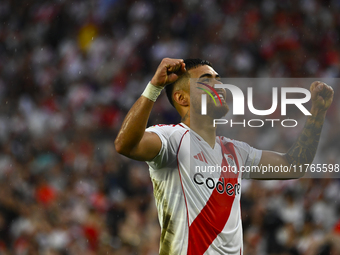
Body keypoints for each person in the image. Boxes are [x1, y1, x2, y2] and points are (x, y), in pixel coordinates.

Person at [114, 58, 334, 255]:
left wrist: (317, 114)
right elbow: (125, 144)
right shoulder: (171, 137)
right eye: (206, 80)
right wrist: (154, 88)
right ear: (182, 98)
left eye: (218, 79)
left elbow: (294, 166)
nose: (218, 85)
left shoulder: (236, 152)